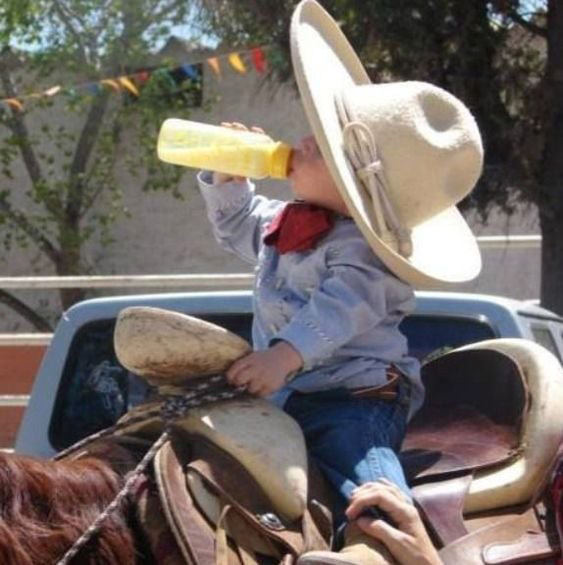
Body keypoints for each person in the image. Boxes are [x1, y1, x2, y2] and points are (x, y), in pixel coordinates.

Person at [196, 1, 483, 562]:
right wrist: (226, 181)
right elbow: (238, 226)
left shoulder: (364, 253)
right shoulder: (290, 220)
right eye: (314, 132)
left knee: (360, 466)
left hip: (357, 396)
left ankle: (382, 543)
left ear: (356, 190)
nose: (304, 141)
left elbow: (339, 309)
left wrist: (283, 356)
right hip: (290, 392)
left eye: (323, 146)